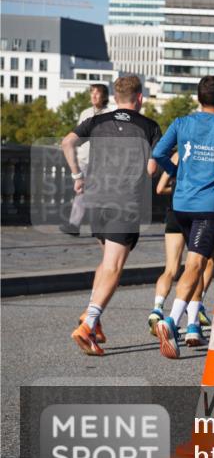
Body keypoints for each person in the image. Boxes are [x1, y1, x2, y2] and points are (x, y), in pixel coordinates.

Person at [61, 76, 161, 355]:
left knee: (106, 262)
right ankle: (88, 323)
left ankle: (93, 319)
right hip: (124, 202)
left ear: (116, 97)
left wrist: (76, 175)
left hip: (96, 200)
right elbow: (152, 170)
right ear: (139, 98)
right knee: (114, 267)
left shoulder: (97, 121)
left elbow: (67, 143)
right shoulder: (149, 127)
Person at [151, 76, 214, 359]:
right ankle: (172, 321)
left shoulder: (181, 123)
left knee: (194, 264)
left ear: (198, 98)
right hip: (209, 207)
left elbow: (158, 153)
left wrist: (178, 171)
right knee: (196, 265)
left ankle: (193, 326)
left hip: (181, 205)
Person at [146, 152, 214, 342]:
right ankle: (194, 318)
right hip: (198, 212)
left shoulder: (176, 156)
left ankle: (157, 308)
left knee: (170, 268)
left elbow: (160, 188)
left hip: (174, 212)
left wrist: (177, 187)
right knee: (199, 265)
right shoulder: (206, 152)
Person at [61, 84, 114, 236]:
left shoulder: (109, 114)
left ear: (104, 97)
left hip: (100, 162)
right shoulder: (85, 113)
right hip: (83, 159)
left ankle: (86, 225)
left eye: (97, 94)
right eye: (92, 94)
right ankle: (79, 225)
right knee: (82, 191)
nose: (94, 96)